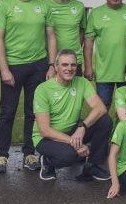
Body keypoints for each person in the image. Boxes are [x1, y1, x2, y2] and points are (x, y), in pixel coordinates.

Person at [0, 0, 52, 174]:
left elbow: (51, 37)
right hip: (13, 66)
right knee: (7, 112)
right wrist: (4, 69)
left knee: (33, 113)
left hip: (38, 65)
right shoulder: (4, 4)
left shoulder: (43, 6)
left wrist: (51, 65)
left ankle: (30, 154)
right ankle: (1, 155)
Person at [33, 49, 113, 182]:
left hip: (73, 130)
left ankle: (93, 165)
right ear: (56, 67)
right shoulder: (43, 89)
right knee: (69, 156)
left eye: (73, 65)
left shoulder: (82, 82)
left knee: (105, 121)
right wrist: (76, 144)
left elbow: (101, 108)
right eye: (64, 65)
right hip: (46, 138)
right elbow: (44, 130)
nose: (69, 69)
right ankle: (47, 161)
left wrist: (82, 126)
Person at [84, 0, 126, 106]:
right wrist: (88, 67)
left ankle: (122, 127)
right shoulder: (96, 13)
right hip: (104, 73)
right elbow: (88, 43)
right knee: (103, 108)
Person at [45, 0, 87, 76]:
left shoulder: (79, 6)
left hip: (73, 60)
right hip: (51, 60)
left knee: (75, 92)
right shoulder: (45, 6)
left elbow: (82, 31)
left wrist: (75, 47)